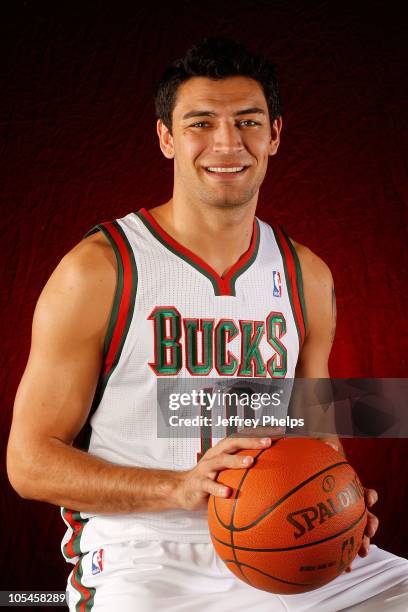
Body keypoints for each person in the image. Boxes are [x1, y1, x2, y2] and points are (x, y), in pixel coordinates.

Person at [7, 37, 408, 611]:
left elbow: (317, 425)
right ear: (166, 138)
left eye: (248, 121)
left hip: (284, 535)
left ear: (274, 135)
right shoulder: (99, 269)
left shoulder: (306, 275)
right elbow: (28, 462)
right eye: (201, 123)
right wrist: (177, 487)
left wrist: (337, 498)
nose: (227, 142)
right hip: (145, 546)